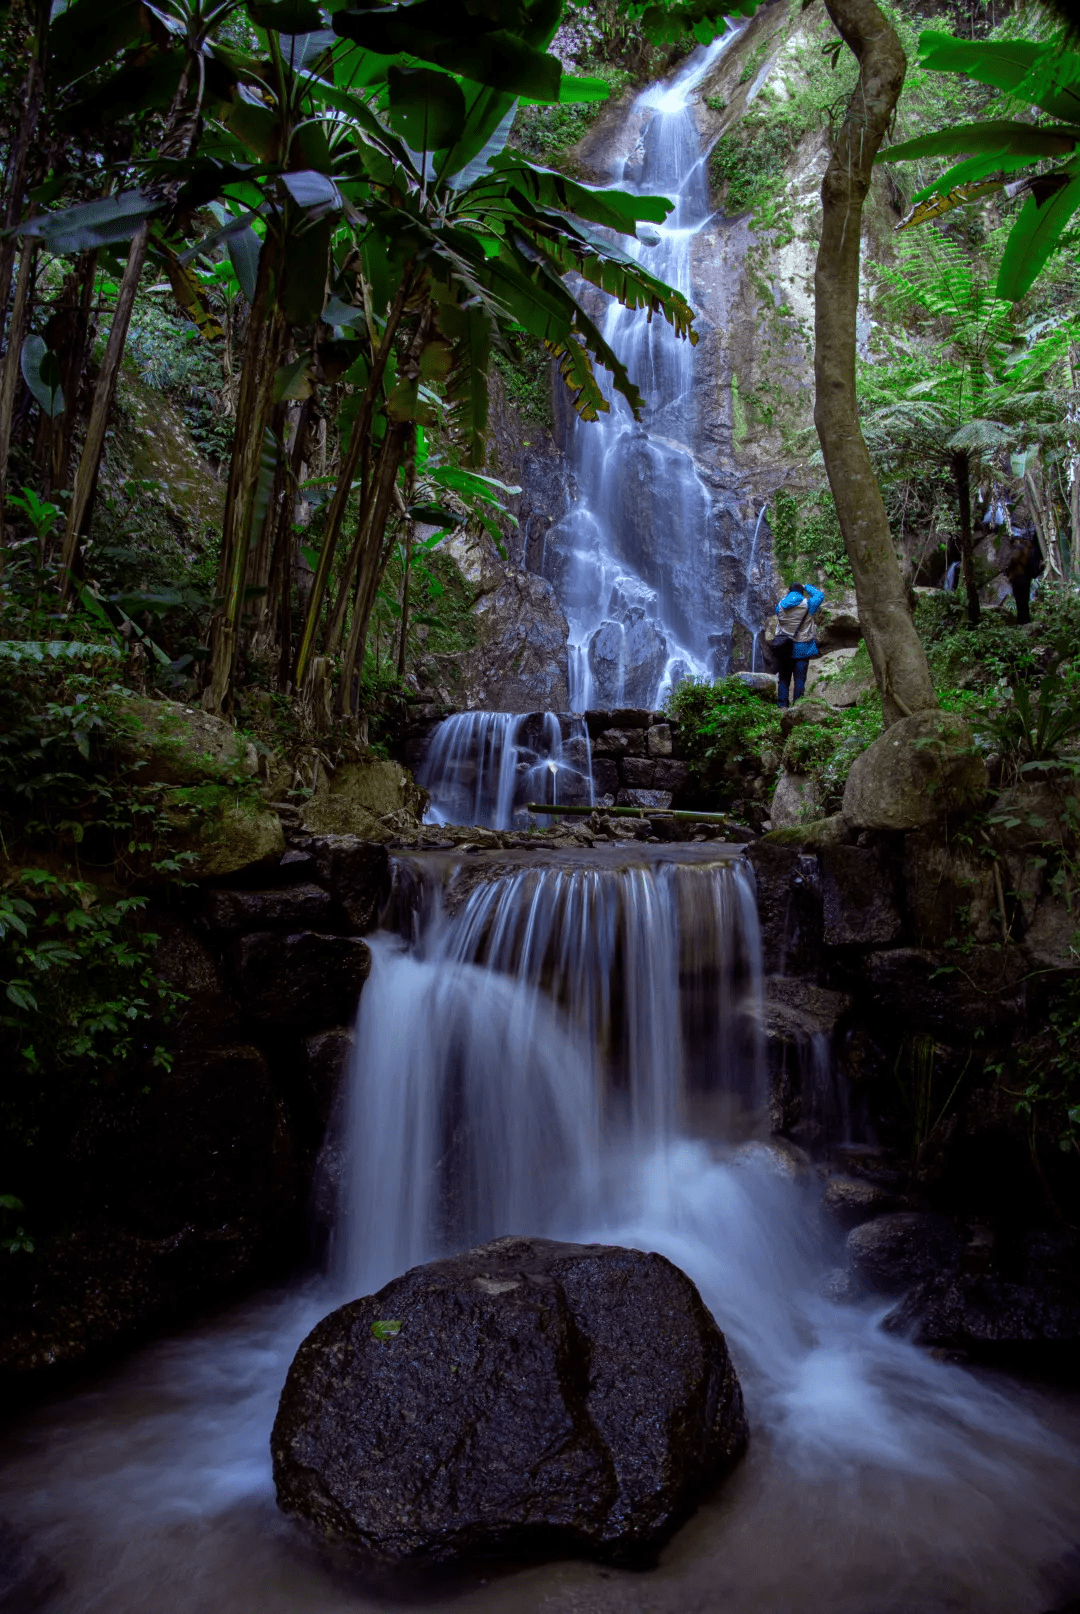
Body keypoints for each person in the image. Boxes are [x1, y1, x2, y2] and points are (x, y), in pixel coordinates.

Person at [769, 582, 824, 708]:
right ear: (801, 592)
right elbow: (820, 595)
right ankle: (798, 707)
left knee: (783, 679)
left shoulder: (780, 606)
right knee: (799, 680)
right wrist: (807, 587)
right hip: (802, 648)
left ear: (789, 592)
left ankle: (782, 706)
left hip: (784, 648)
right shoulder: (808, 604)